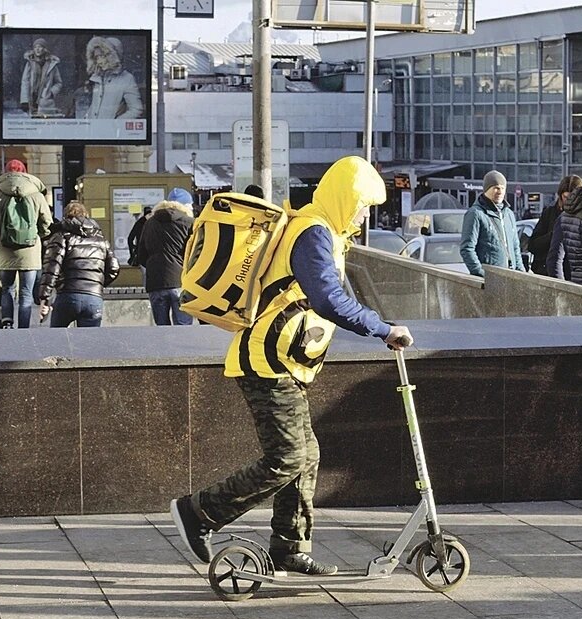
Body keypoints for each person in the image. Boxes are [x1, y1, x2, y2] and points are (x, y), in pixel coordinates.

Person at [170, 156, 414, 575]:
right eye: (363, 204)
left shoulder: (329, 234)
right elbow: (328, 300)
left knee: (307, 455)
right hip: (266, 361)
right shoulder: (313, 233)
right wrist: (381, 329)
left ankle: (288, 546)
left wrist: (382, 324)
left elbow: (341, 297)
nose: (364, 213)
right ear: (345, 197)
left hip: (286, 361)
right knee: (287, 457)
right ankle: (199, 512)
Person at [0, 159, 53, 328]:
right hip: (30, 251)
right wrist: (37, 236)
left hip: (5, 250)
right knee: (26, 294)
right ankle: (23, 328)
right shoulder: (36, 194)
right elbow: (47, 223)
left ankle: (7, 322)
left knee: (7, 288)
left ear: (6, 172)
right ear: (25, 172)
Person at [37, 201, 120, 327]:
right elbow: (114, 268)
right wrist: (96, 283)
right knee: (89, 343)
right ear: (86, 215)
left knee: (57, 340)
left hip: (67, 295)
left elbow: (51, 268)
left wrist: (45, 297)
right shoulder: (101, 240)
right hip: (93, 298)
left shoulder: (61, 237)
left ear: (65, 217)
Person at [137, 187, 194, 326]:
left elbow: (141, 254)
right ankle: (181, 349)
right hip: (182, 281)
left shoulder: (149, 223)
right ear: (185, 205)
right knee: (183, 326)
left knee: (161, 328)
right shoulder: (189, 223)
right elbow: (196, 253)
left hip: (155, 282)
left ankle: (164, 348)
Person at [460, 170, 524, 277]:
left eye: (502, 188)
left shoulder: (509, 214)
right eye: (496, 188)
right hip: (491, 279)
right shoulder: (475, 214)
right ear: (486, 189)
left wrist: (521, 271)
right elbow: (467, 248)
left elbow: (515, 247)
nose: (500, 192)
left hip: (511, 277)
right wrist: (481, 273)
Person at [527, 175, 582, 276]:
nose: (569, 201)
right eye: (566, 197)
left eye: (573, 198)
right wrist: (554, 235)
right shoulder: (549, 213)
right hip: (549, 273)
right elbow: (533, 245)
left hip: (575, 275)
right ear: (560, 195)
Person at [77, 36, 144, 119]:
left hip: (111, 130)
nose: (99, 61)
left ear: (113, 56)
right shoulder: (96, 78)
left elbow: (136, 109)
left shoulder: (126, 79)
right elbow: (94, 106)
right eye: (97, 57)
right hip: (92, 130)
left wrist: (115, 124)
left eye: (103, 56)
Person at [19, 38, 63, 117]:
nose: (37, 49)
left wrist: (51, 92)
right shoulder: (30, 63)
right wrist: (24, 100)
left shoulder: (52, 64)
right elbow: (25, 81)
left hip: (46, 102)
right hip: (31, 100)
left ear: (45, 49)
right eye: (35, 47)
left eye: (40, 47)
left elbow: (59, 82)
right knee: (33, 126)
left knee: (46, 126)